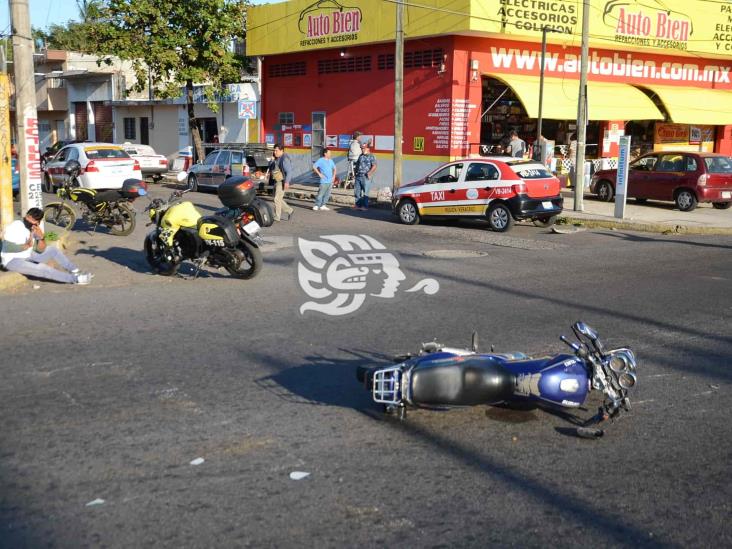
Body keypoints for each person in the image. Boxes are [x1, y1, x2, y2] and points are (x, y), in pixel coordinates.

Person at [1, 208, 92, 284]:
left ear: (38, 222)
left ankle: (75, 271)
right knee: (42, 269)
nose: (30, 221)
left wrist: (41, 238)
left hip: (28, 255)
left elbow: (40, 250)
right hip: (12, 260)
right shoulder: (15, 226)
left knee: (52, 250)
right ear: (27, 216)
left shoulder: (34, 228)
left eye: (34, 220)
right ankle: (76, 279)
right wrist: (24, 247)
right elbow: (5, 247)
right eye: (29, 218)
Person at [268, 143, 294, 222]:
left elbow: (289, 171)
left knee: (277, 199)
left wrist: (287, 182)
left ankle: (277, 217)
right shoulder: (276, 158)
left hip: (282, 181)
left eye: (276, 150)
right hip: (276, 181)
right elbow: (270, 167)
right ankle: (290, 210)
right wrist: (272, 160)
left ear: (281, 150)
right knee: (278, 199)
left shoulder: (284, 159)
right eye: (274, 150)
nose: (275, 152)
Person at [353, 142, 377, 210]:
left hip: (365, 177)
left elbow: (374, 166)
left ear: (368, 148)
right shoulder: (361, 156)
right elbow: (357, 165)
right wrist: (355, 173)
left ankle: (365, 206)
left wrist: (369, 173)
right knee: (357, 192)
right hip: (358, 176)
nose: (362, 150)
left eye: (363, 148)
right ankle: (357, 205)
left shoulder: (372, 156)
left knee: (365, 192)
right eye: (361, 148)